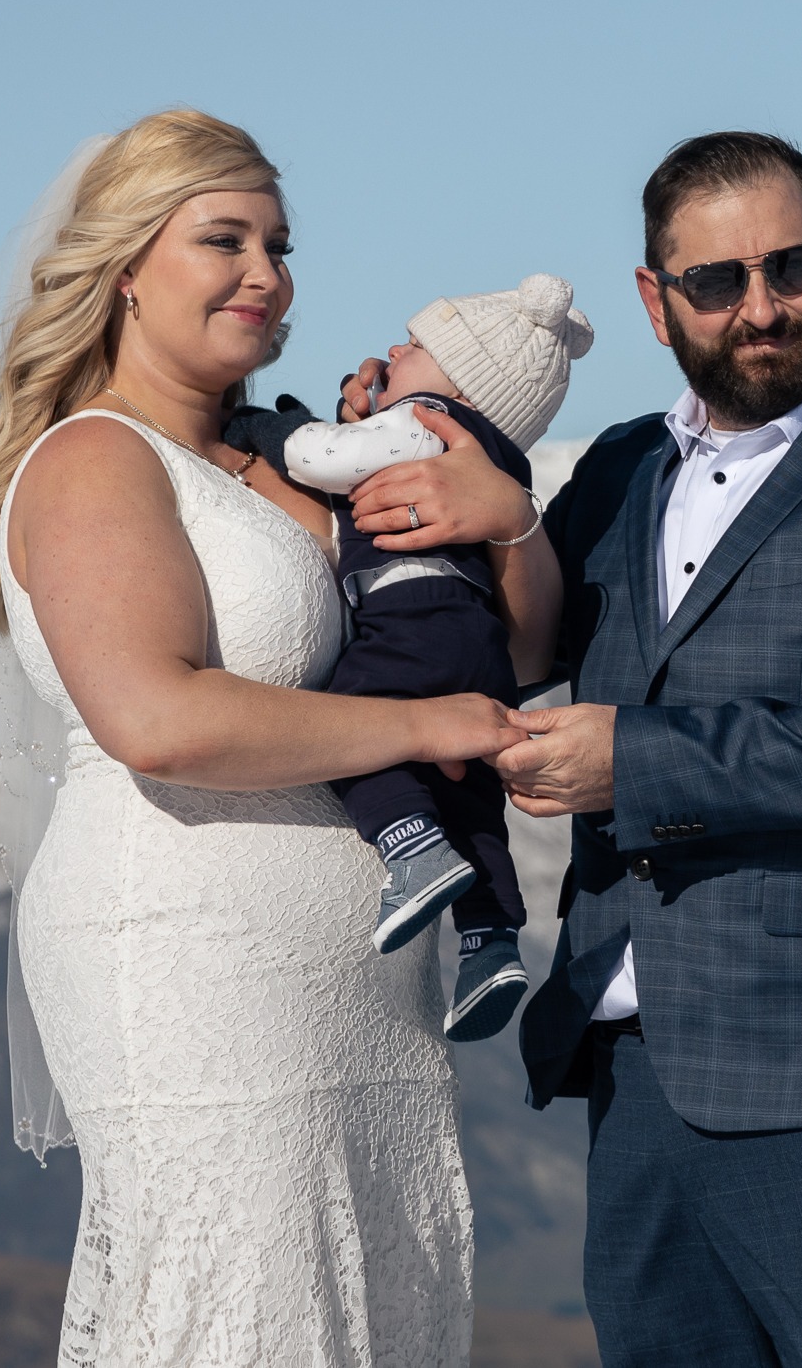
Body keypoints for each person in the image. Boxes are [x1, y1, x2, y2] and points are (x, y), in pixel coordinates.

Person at [354, 131, 802, 1367]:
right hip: (629, 1070)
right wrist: (495, 515)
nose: (761, 307)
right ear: (653, 300)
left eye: (791, 268)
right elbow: (519, 652)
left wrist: (636, 760)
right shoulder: (622, 467)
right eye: (716, 282)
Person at [0, 108, 549, 1367]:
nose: (268, 274)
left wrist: (510, 523)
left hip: (361, 983)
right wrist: (423, 722)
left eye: (280, 243)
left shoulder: (293, 458)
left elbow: (513, 660)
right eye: (225, 240)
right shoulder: (96, 461)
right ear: (123, 267)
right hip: (192, 964)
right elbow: (154, 718)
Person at [230, 274, 595, 1041]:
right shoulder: (492, 457)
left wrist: (268, 424)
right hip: (476, 646)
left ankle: (412, 850)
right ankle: (491, 939)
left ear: (462, 382)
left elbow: (323, 457)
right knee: (470, 800)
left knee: (350, 728)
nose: (393, 349)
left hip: (412, 616)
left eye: (418, 345)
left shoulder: (426, 421)